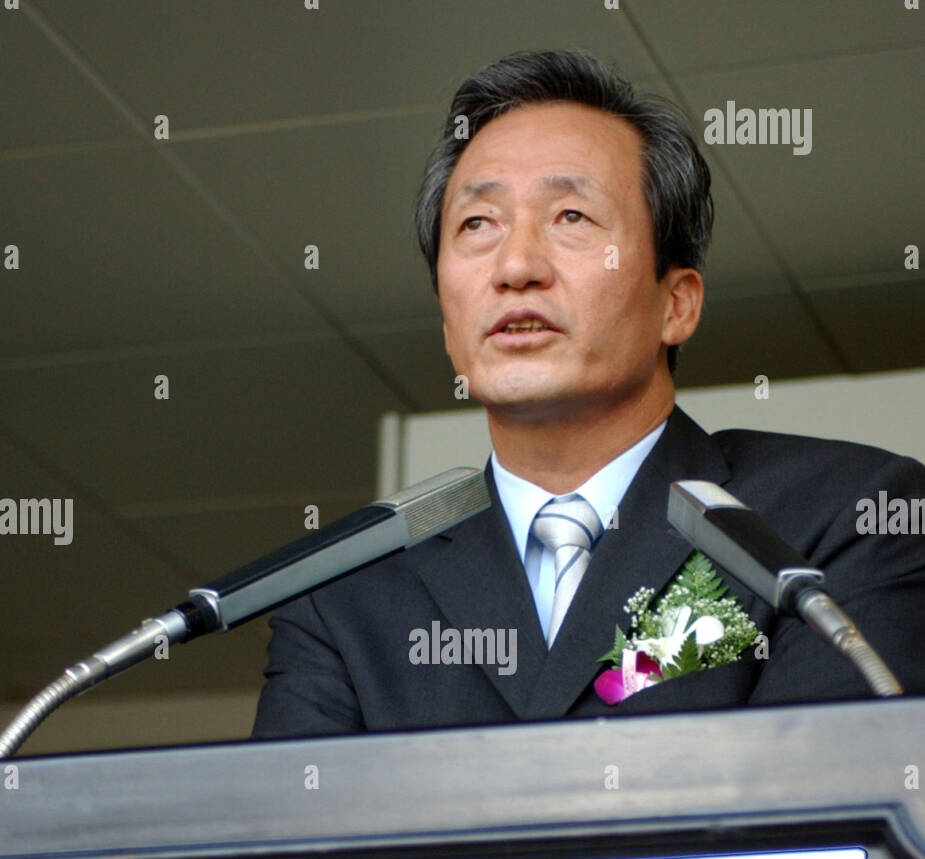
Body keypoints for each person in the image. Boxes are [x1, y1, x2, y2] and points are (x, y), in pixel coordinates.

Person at [252, 49, 924, 739]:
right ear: (448, 321)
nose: (514, 267)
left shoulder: (838, 520)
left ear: (676, 303)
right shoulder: (344, 599)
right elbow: (290, 841)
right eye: (476, 225)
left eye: (571, 216)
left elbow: (816, 817)